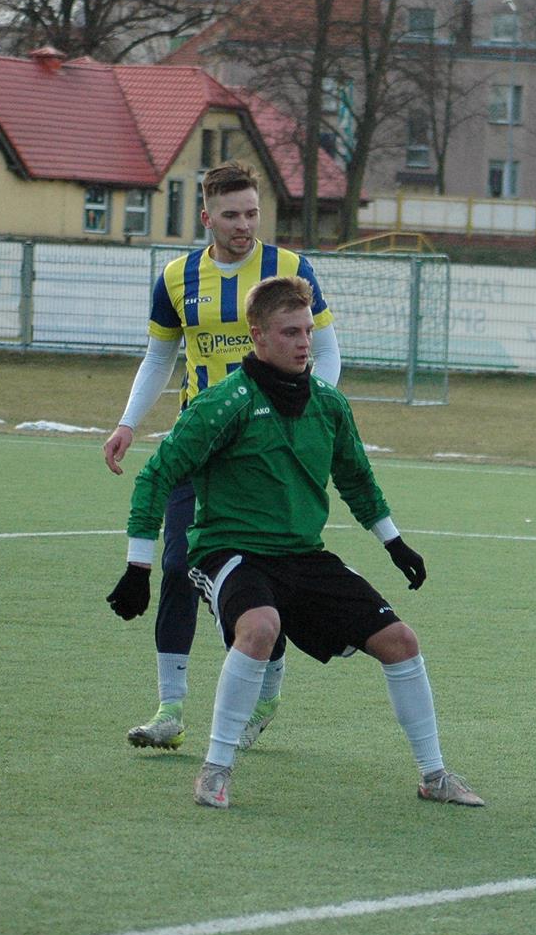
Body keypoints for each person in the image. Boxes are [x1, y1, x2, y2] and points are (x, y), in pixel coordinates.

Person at [106, 276, 483, 810]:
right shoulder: (223, 404)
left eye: (308, 330)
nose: (305, 342)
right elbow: (155, 477)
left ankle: (435, 776)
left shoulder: (328, 403)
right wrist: (137, 567)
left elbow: (356, 478)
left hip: (302, 554)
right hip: (228, 550)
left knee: (401, 641)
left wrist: (394, 543)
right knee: (260, 626)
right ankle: (215, 770)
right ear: (257, 336)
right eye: (290, 332)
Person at [102, 160, 341, 753]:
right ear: (206, 216)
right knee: (179, 565)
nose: (244, 225)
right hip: (199, 443)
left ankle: (266, 695)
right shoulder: (178, 277)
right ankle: (170, 709)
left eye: (253, 213)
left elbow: (328, 351)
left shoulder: (290, 269)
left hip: (267, 451)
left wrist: (312, 416)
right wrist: (130, 422)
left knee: (270, 576)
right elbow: (159, 357)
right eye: (231, 215)